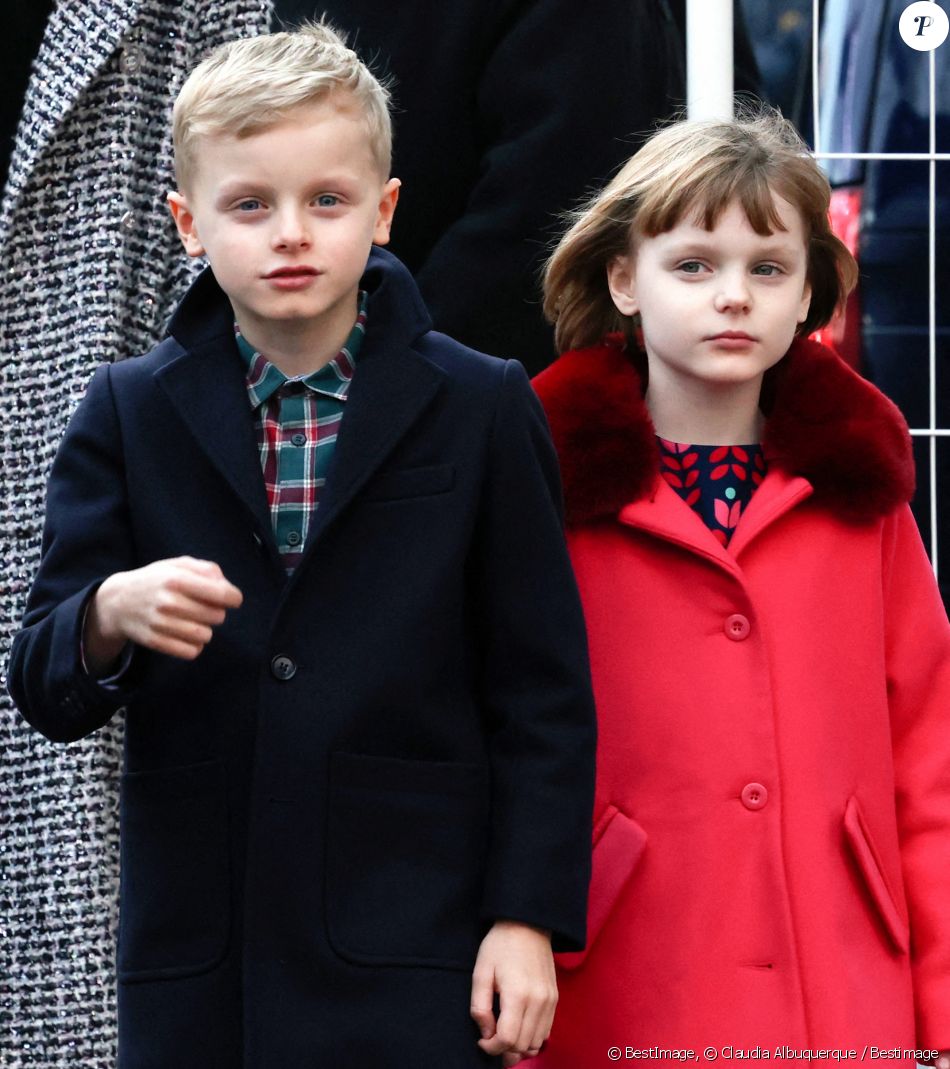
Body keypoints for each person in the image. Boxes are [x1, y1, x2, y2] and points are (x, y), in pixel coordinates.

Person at [6, 23, 596, 1069]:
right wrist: (108, 613)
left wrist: (527, 918)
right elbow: (46, 672)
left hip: (415, 945)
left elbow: (540, 692)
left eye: (326, 201)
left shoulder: (481, 403)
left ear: (384, 211)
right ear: (188, 223)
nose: (290, 233)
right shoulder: (128, 410)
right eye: (249, 204)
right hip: (202, 955)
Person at [530, 111, 950, 1065]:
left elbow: (929, 753)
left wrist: (943, 998)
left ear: (809, 291)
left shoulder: (861, 493)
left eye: (767, 268)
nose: (734, 298)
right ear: (623, 277)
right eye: (693, 265)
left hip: (839, 975)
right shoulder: (541, 487)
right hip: (618, 973)